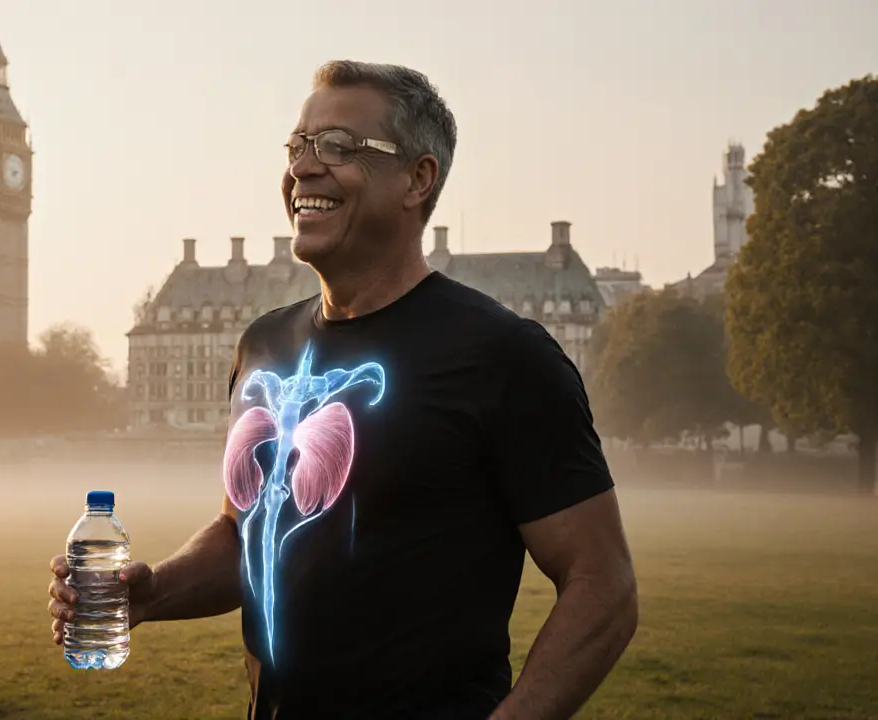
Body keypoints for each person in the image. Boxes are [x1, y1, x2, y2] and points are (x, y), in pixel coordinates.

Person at [49, 60, 638, 720]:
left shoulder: (504, 356)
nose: (303, 168)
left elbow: (604, 585)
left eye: (338, 146)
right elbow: (246, 532)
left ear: (418, 179)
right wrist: (152, 592)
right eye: (298, 146)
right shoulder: (264, 346)